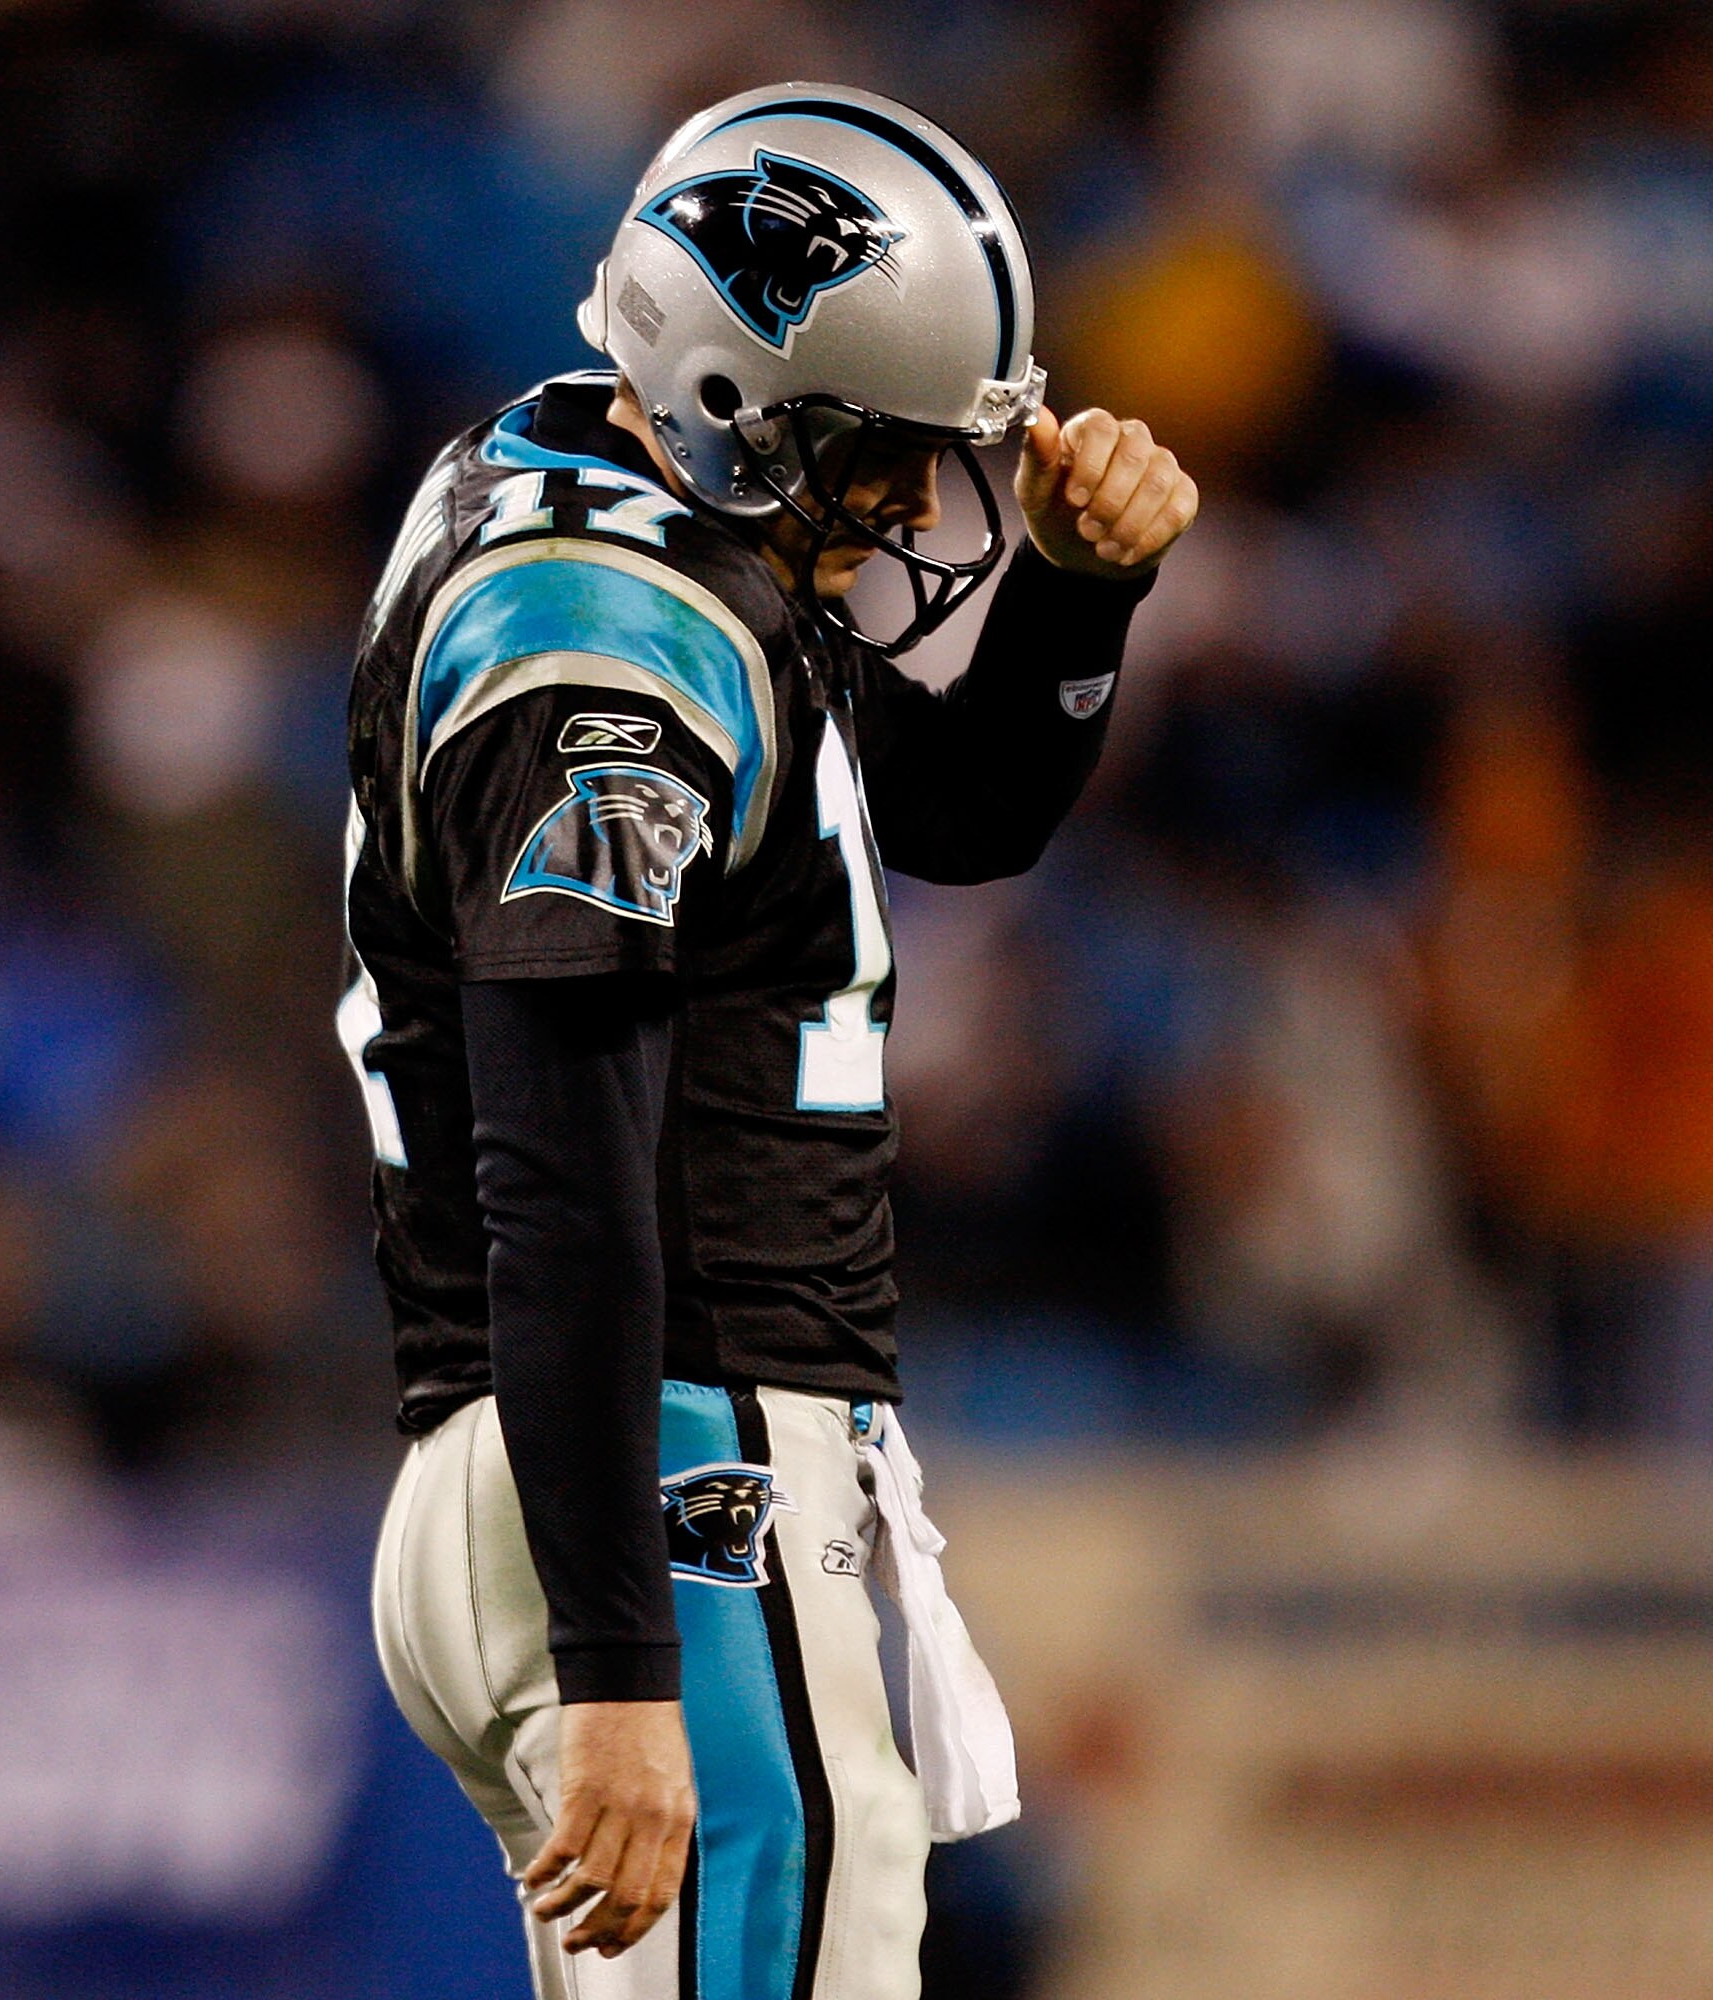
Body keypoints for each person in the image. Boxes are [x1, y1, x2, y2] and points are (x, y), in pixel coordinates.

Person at [342, 85, 1195, 1998]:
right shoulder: (599, 641)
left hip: (600, 1468)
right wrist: (626, 1665)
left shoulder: (605, 505)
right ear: (734, 394)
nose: (904, 504)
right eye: (871, 452)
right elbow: (559, 1172)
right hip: (672, 1465)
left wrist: (1077, 585)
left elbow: (954, 822)